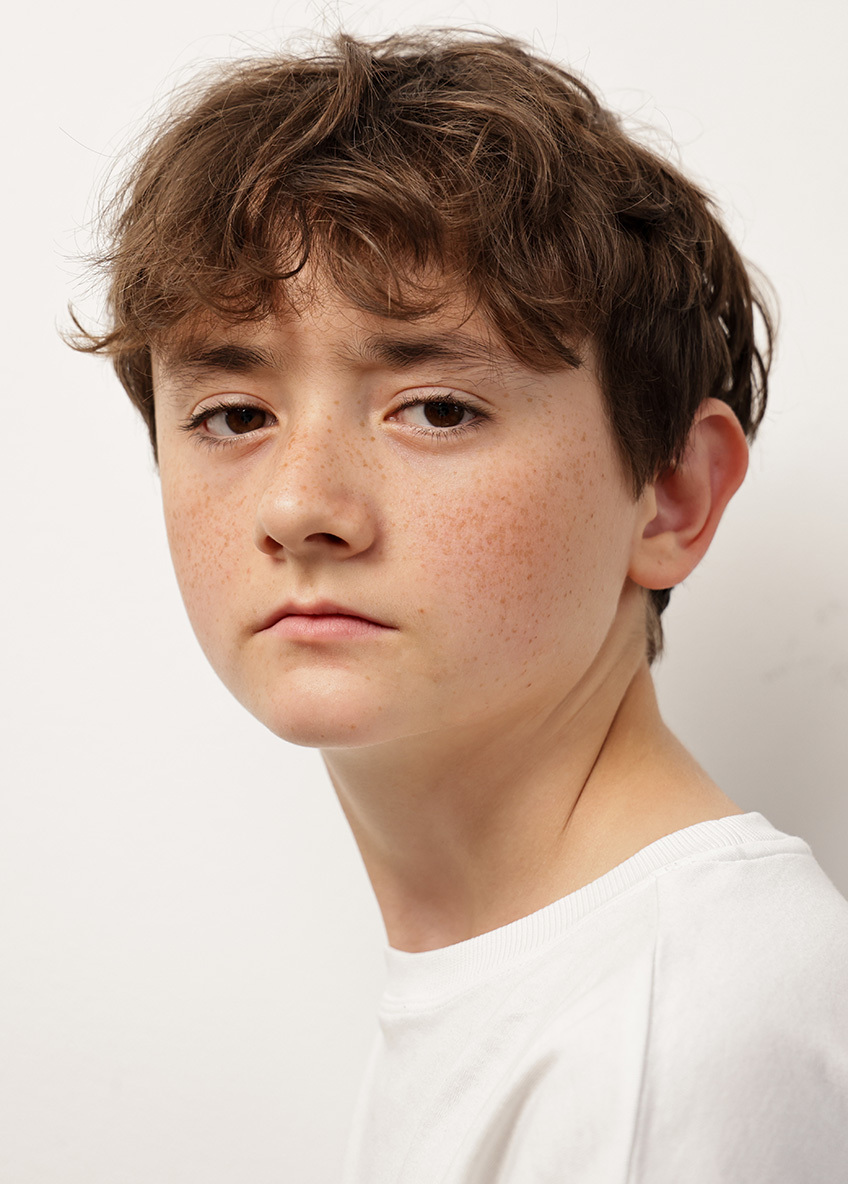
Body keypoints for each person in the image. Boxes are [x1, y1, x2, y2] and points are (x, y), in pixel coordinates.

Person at [71, 29, 848, 1183]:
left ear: (671, 493)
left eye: (435, 408)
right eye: (233, 415)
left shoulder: (679, 1033)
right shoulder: (557, 980)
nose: (299, 506)